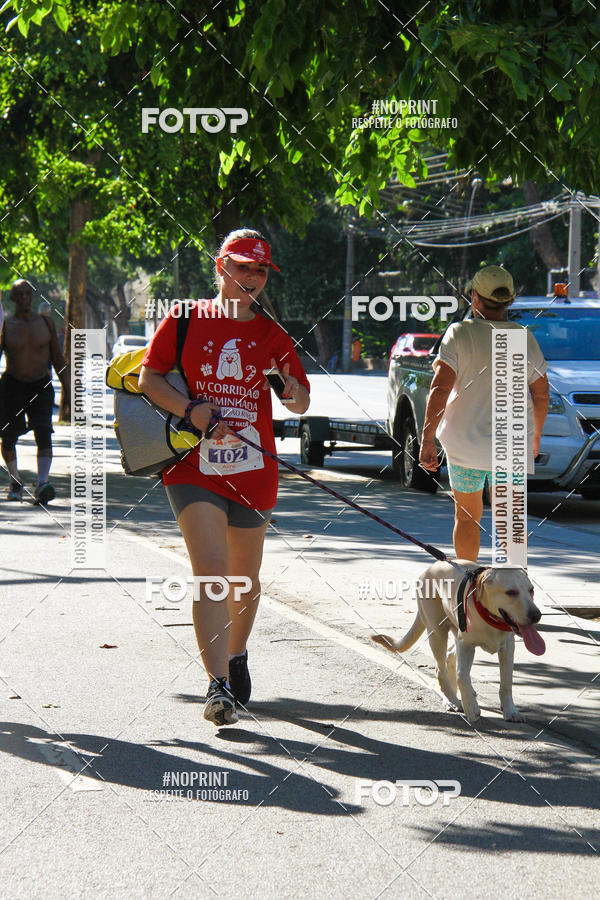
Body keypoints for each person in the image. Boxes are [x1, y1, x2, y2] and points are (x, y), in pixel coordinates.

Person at [139, 229, 311, 726]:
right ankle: (216, 685)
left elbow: (299, 402)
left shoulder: (272, 334)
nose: (251, 278)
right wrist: (192, 409)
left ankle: (236, 655)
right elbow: (150, 379)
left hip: (254, 469)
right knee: (212, 573)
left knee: (244, 579)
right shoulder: (186, 317)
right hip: (194, 464)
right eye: (242, 267)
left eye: (259, 270)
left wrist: (293, 390)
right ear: (221, 267)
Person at [419, 265, 549, 562]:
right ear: (510, 301)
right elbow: (541, 392)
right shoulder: (522, 337)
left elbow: (439, 389)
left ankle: (468, 589)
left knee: (466, 518)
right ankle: (514, 595)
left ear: (474, 297)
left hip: (465, 445)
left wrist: (427, 439)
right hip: (511, 445)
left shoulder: (459, 333)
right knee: (510, 523)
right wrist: (536, 436)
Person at [0, 280, 70, 503]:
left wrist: (69, 391)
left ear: (32, 296)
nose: (24, 298)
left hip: (41, 385)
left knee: (44, 433)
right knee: (8, 437)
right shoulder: (7, 326)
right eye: (19, 294)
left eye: (27, 294)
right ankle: (15, 481)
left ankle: (42, 484)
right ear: (12, 298)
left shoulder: (46, 324)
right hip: (13, 385)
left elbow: (58, 359)